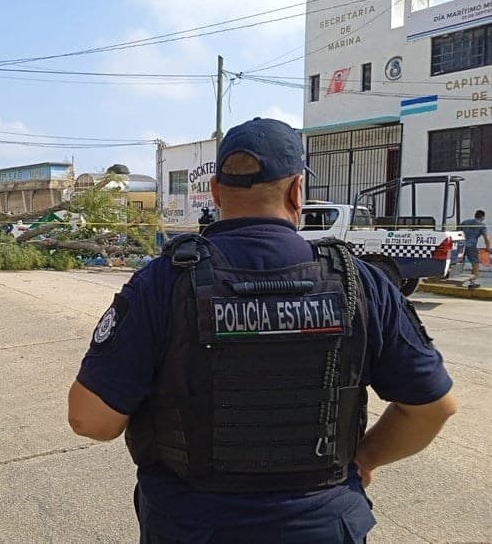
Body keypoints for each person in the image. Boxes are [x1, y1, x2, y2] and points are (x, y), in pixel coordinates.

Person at [68, 117, 457, 543]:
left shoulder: (161, 283)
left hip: (192, 527)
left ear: (216, 192)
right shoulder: (358, 282)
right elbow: (432, 408)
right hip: (322, 526)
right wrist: (362, 457)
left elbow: (91, 420)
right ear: (296, 192)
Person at [459, 209, 490, 289]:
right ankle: (472, 283)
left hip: (461, 245)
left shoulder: (465, 222)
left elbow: (457, 233)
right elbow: (486, 238)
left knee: (458, 263)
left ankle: (456, 279)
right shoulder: (482, 225)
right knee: (475, 264)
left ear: (475, 215)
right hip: (471, 246)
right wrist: (488, 248)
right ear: (483, 217)